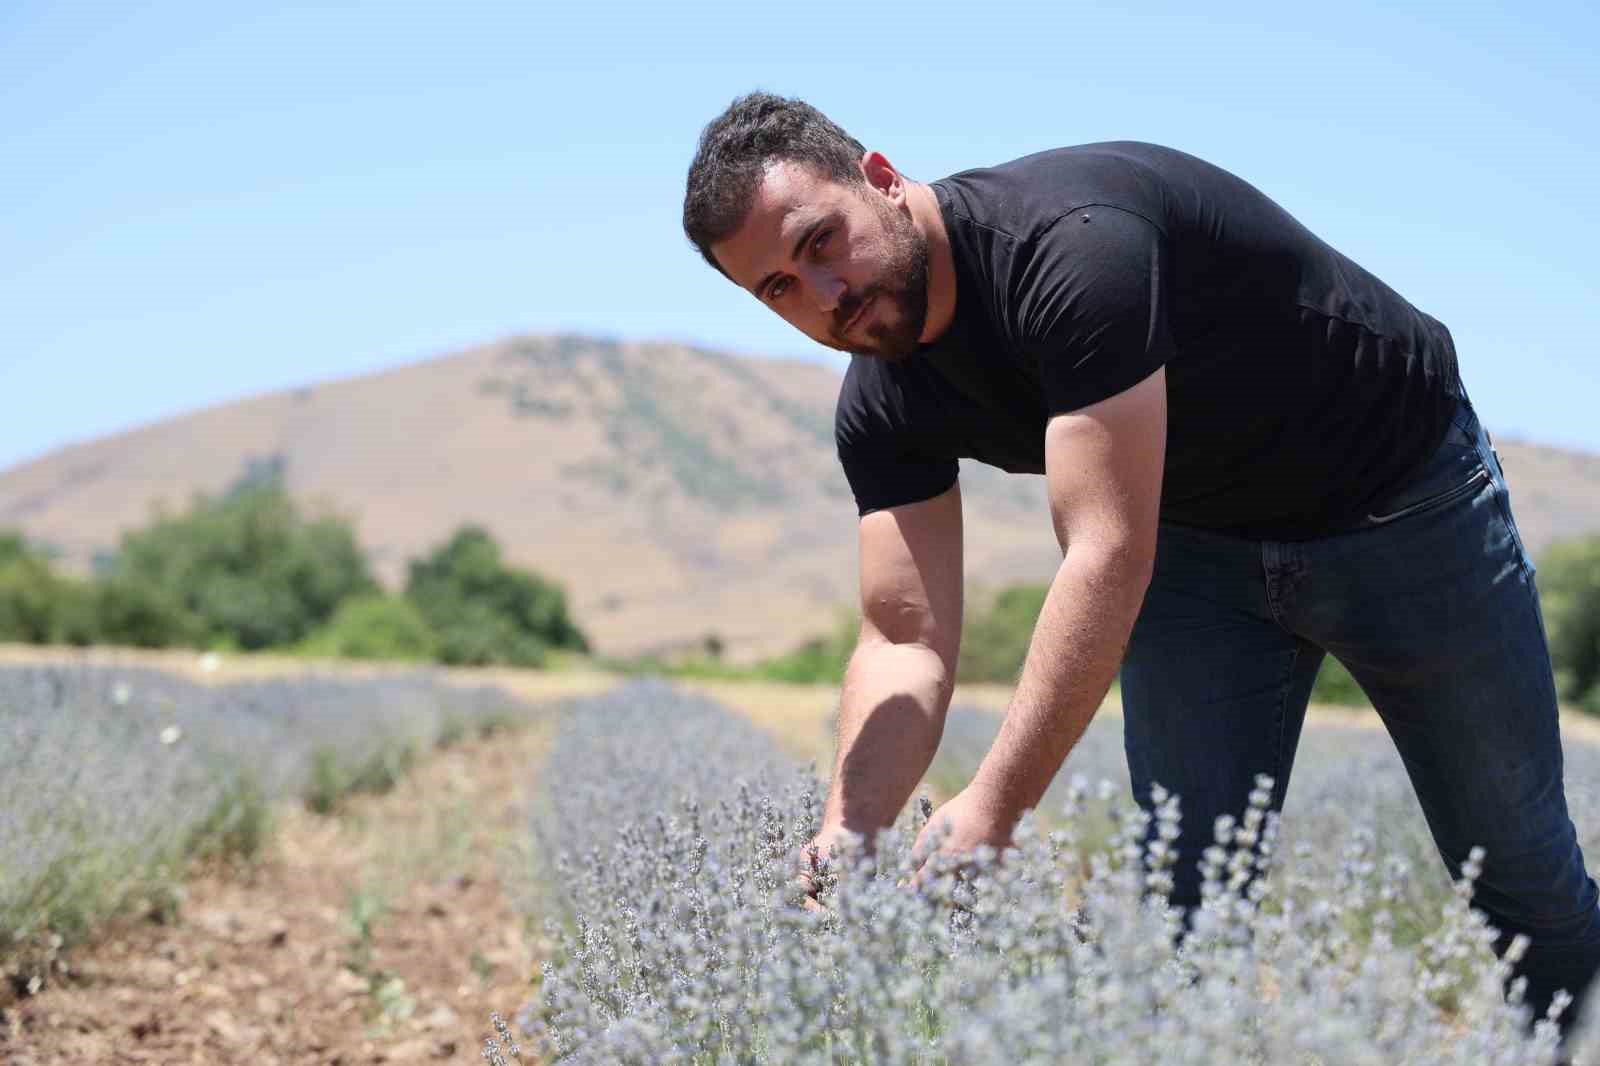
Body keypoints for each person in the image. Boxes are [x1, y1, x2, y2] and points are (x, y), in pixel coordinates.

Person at [680, 90, 1600, 1042]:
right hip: (1200, 550)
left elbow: (1106, 552)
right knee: (1179, 912)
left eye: (821, 241)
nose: (823, 296)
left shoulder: (1073, 248)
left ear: (879, 178)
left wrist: (994, 807)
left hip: (1402, 504)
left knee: (1517, 874)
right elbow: (904, 633)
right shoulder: (881, 403)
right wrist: (852, 832)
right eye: (779, 288)